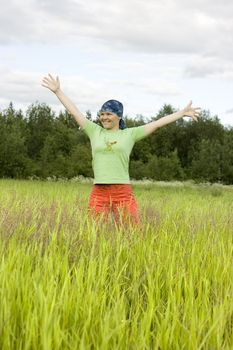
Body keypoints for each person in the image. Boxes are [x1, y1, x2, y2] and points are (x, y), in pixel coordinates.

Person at [42, 74, 201, 225]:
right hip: (99, 191)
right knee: (93, 233)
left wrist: (181, 113)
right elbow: (74, 111)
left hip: (122, 192)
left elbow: (157, 123)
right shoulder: (94, 131)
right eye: (102, 114)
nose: (104, 117)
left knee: (131, 232)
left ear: (119, 116)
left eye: (109, 114)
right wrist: (58, 91)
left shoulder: (130, 134)